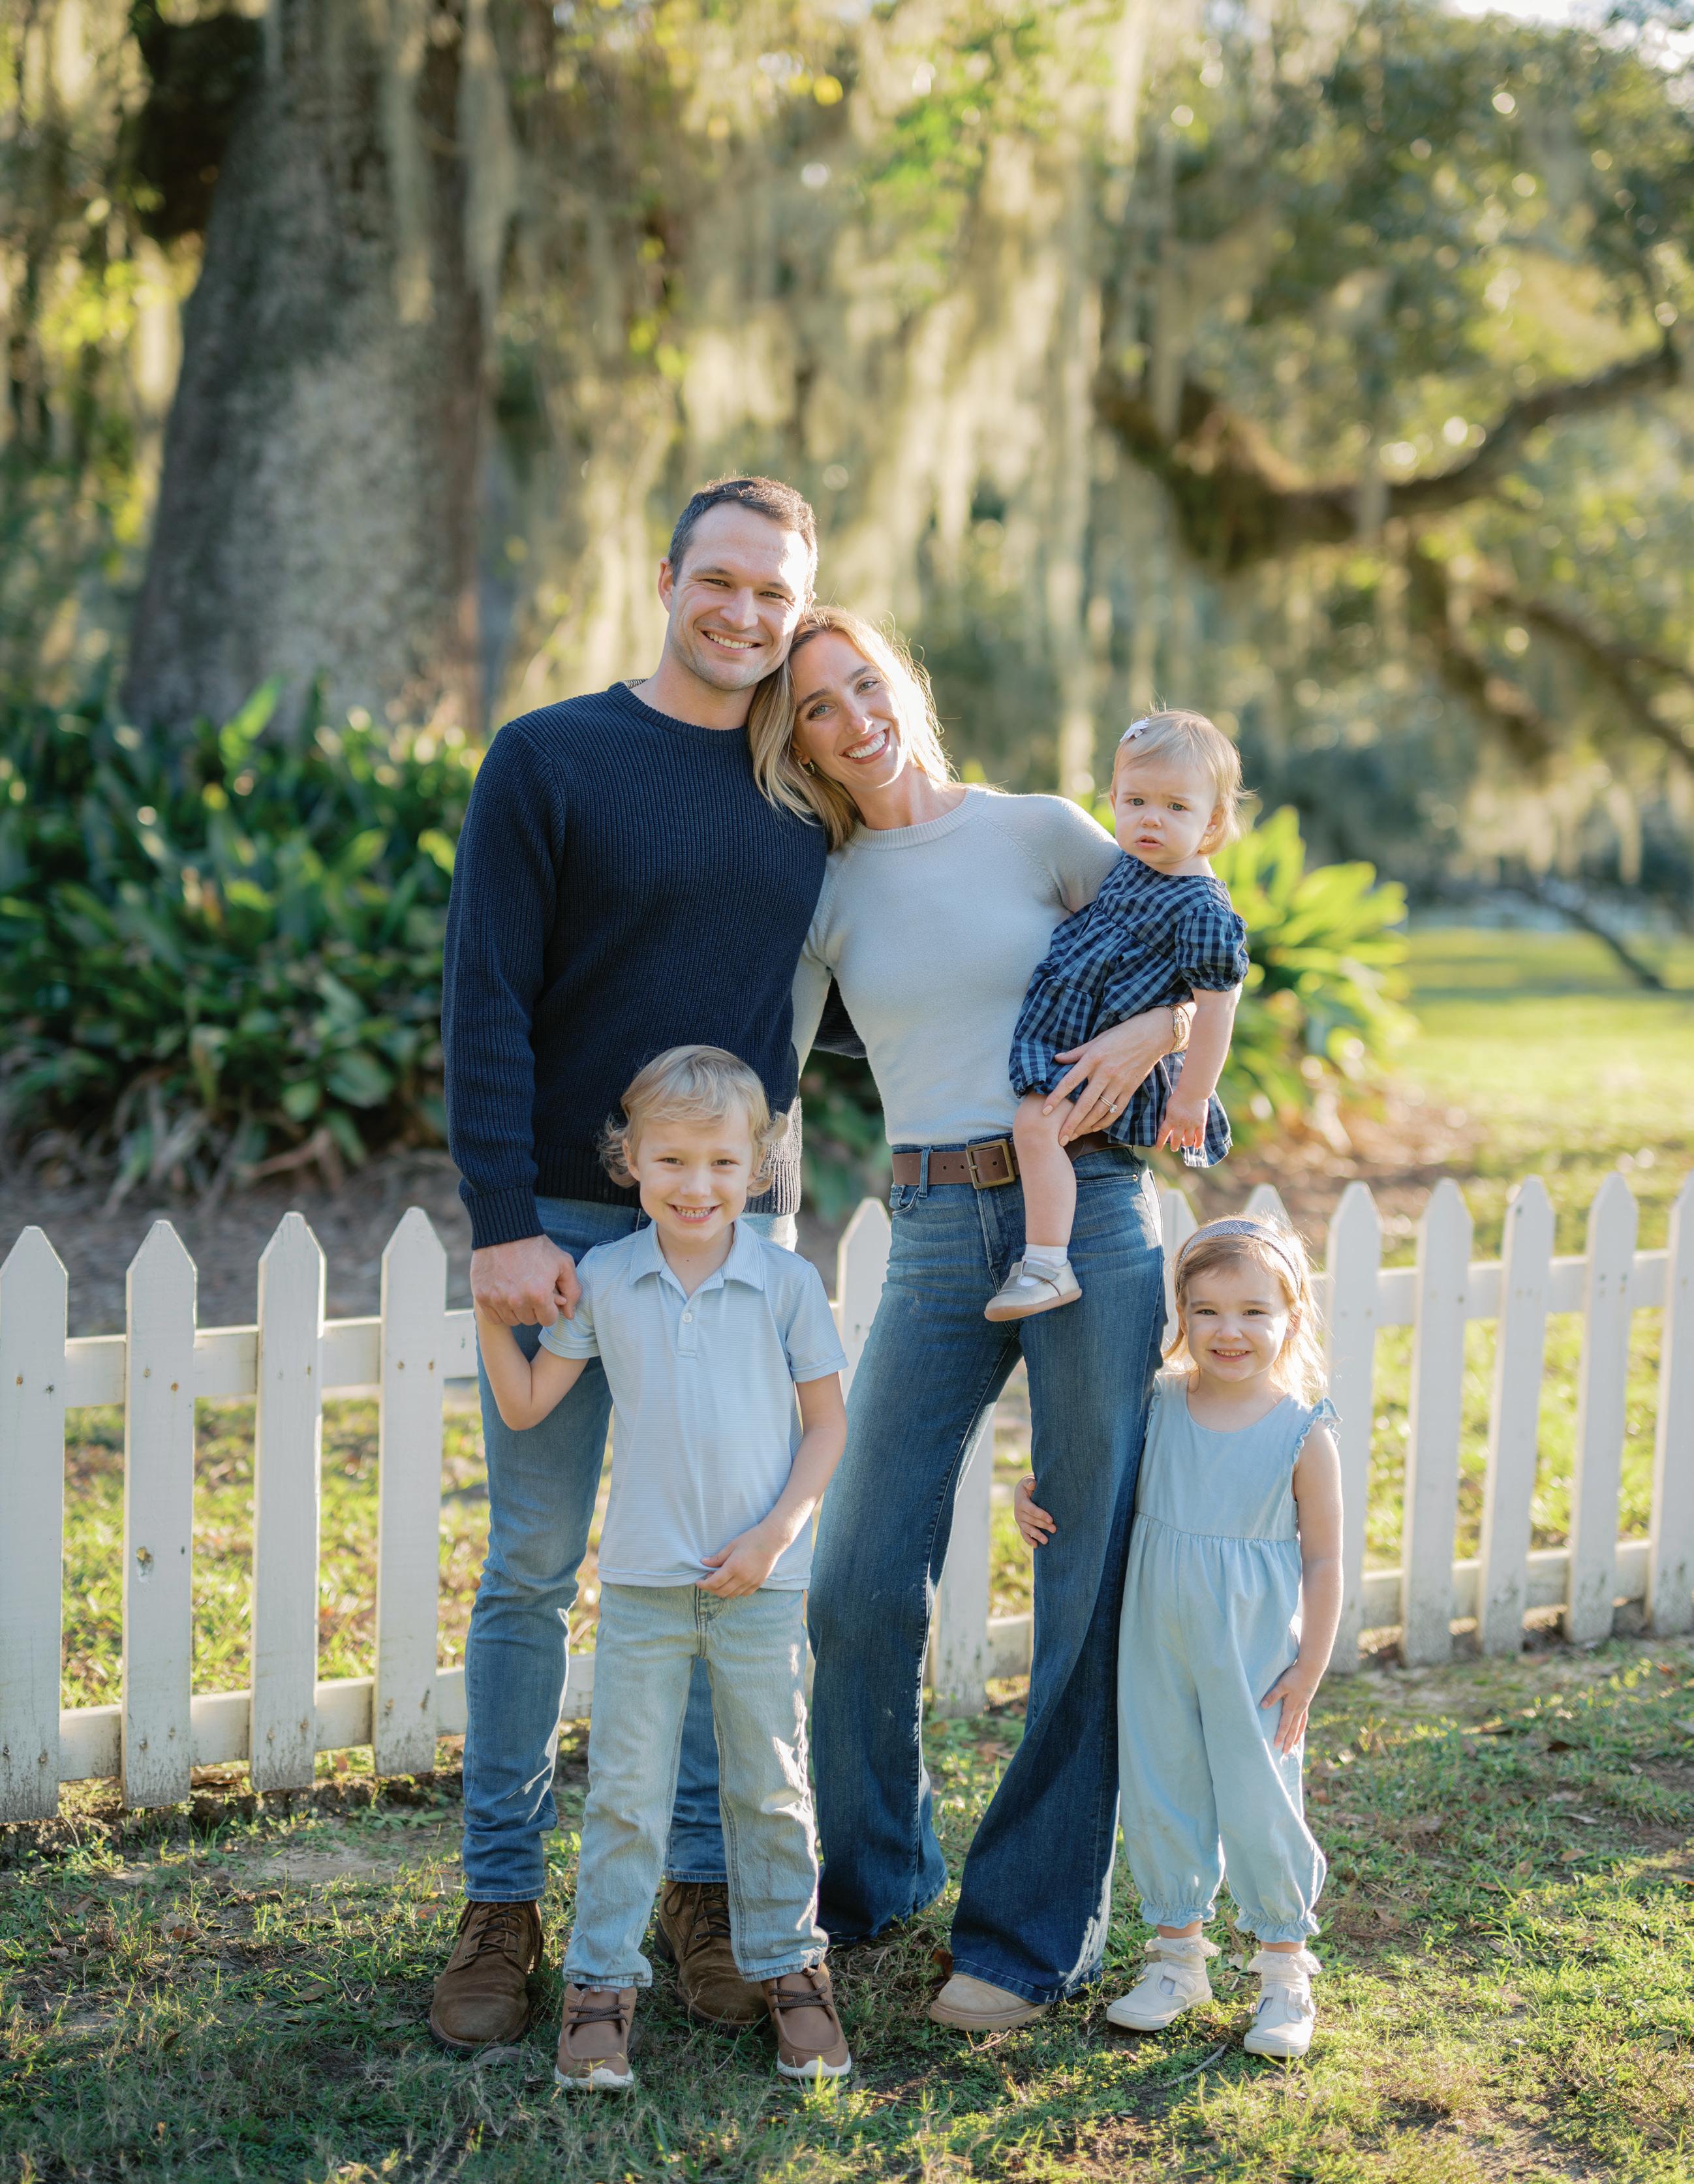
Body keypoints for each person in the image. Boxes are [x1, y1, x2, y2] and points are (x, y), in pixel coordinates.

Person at [748, 605, 1193, 2031]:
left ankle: (1028, 1931)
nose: (851, 721)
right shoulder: (826, 888)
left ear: (903, 684)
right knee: (857, 1576)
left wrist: (1155, 1030)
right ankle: (873, 1877)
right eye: (816, 711)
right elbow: (765, 1077)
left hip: (1093, 1211)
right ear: (798, 745)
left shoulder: (1042, 830)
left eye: (861, 685)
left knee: (1083, 1574)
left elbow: (1191, 943)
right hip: (937, 1225)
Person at [434, 476, 831, 2052]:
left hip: (735, 1231)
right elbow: (484, 991)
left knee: (723, 1564)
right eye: (718, 579)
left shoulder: (804, 786)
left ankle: (699, 1893)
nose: (742, 612)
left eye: (773, 594)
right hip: (562, 1223)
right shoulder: (547, 757)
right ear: (665, 576)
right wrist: (501, 1220)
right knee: (533, 1565)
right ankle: (499, 1903)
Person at [475, 1047, 851, 2089]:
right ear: (628, 1160)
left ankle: (793, 1969)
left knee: (771, 1785)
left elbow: (827, 1426)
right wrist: (488, 1306)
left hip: (760, 1581)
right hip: (644, 1583)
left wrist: (775, 1534)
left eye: (723, 1162)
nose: (697, 1184)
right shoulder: (605, 1277)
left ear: (759, 1165)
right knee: (626, 1795)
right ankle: (600, 1988)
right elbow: (527, 1405)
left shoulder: (786, 1281)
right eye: (672, 1159)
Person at [1017, 1216, 1342, 2059]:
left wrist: (1309, 1665)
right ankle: (1177, 1960)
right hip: (1155, 1638)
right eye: (1207, 1310)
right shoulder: (1158, 1403)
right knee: (1163, 1787)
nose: (1229, 1330)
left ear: (1292, 1316)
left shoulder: (1301, 1431)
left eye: (1254, 1310)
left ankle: (1283, 1971)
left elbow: (1325, 1557)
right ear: (1181, 1316)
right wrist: (1033, 1490)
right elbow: (1091, 1470)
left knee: (1260, 1795)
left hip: (1254, 1654)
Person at [990, 710, 1250, 1323]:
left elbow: (1218, 1007)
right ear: (1112, 800)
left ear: (1213, 822)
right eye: (1136, 801)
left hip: (1110, 1066)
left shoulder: (1200, 906)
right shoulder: (1132, 869)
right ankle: (1045, 1258)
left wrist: (1192, 1097)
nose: (1150, 818)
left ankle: (1046, 1265)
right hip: (1076, 1043)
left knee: (1035, 1126)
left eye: (1176, 807)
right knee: (1037, 1128)